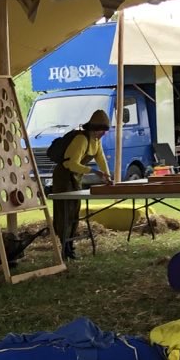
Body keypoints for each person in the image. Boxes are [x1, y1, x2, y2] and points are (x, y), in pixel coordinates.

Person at [50, 109, 110, 260]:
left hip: (75, 177)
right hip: (63, 177)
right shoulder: (81, 140)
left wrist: (107, 176)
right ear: (95, 129)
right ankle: (64, 246)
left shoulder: (96, 141)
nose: (104, 133)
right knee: (65, 211)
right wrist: (94, 172)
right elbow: (71, 164)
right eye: (102, 130)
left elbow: (101, 159)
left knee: (74, 210)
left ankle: (70, 246)